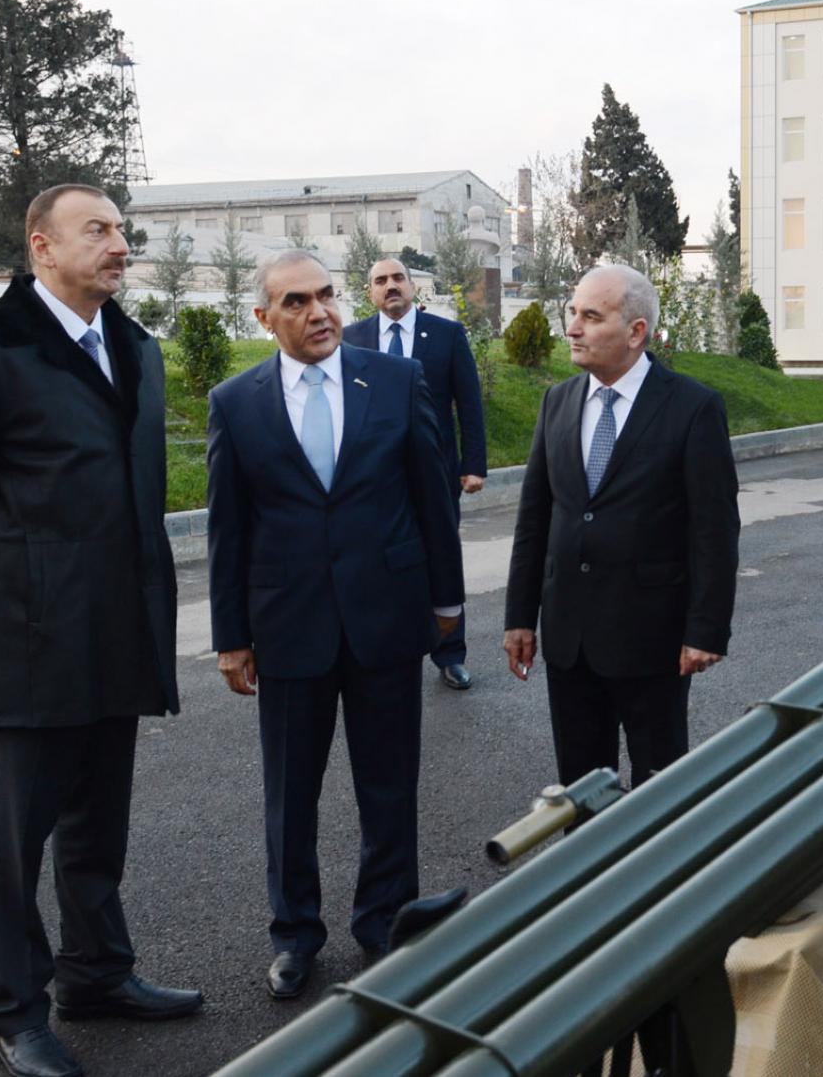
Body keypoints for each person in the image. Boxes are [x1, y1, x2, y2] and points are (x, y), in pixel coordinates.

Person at [0, 185, 200, 1077]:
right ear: (42, 247)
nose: (119, 244)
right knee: (17, 839)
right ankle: (15, 1012)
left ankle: (97, 973)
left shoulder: (135, 349)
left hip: (119, 631)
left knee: (98, 824)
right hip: (30, 638)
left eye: (120, 230)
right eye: (97, 231)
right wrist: (1, 601)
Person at [205, 250, 465, 999]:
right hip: (287, 626)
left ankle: (387, 920)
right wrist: (231, 635)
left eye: (325, 296)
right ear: (264, 318)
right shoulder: (236, 402)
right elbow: (229, 530)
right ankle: (295, 935)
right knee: (291, 793)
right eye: (296, 302)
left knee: (390, 784)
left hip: (385, 615)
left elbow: (430, 495)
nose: (318, 313)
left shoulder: (392, 378)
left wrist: (447, 601)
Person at [502, 264, 740, 788]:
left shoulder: (693, 408)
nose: (572, 327)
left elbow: (714, 529)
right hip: (570, 639)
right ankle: (589, 873)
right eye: (572, 312)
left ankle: (658, 873)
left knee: (658, 789)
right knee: (581, 790)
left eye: (591, 315)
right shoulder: (557, 402)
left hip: (652, 639)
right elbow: (535, 516)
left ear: (636, 332)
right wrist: (520, 616)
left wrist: (706, 629)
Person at [344, 257, 486, 690]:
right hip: (375, 477)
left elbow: (469, 402)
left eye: (398, 278)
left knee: (442, 555)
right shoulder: (353, 339)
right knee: (381, 560)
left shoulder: (446, 334)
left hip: (436, 472)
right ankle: (391, 648)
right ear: (369, 291)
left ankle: (450, 654)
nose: (391, 286)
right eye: (380, 280)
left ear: (413, 287)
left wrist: (473, 465)